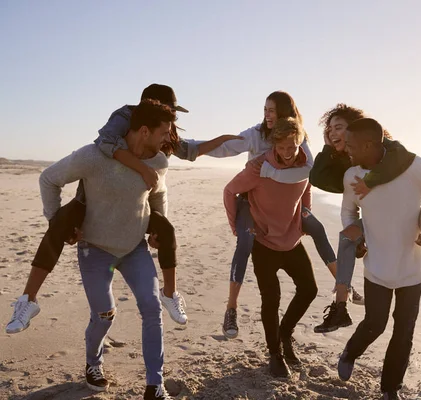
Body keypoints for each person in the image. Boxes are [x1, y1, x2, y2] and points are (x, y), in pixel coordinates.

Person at [5, 84, 240, 334]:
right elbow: (105, 143)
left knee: (166, 227)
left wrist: (223, 139)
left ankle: (170, 294)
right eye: (170, 109)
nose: (173, 118)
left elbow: (190, 151)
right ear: (152, 108)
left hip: (138, 206)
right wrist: (143, 169)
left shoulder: (162, 134)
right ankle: (28, 300)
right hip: (91, 202)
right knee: (59, 222)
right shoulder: (123, 118)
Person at [38, 99, 176, 399]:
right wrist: (58, 224)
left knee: (152, 309)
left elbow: (159, 194)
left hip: (134, 247)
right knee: (104, 314)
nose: (168, 137)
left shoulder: (159, 162)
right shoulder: (93, 157)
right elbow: (49, 178)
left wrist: (156, 227)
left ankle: (156, 385)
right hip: (96, 248)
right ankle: (93, 364)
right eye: (164, 131)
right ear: (143, 130)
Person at [198, 91, 362, 340]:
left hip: (288, 214)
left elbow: (306, 177)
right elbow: (228, 159)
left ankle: (344, 285)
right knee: (244, 242)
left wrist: (305, 208)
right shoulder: (257, 142)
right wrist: (193, 149)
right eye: (265, 110)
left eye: (271, 110)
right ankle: (231, 308)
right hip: (251, 204)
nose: (266, 115)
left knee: (316, 229)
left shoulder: (301, 144)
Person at [310, 104, 421, 334]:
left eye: (339, 128)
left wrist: (371, 181)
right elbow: (318, 178)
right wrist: (328, 147)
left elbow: (398, 161)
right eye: (330, 130)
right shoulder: (348, 163)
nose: (335, 134)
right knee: (347, 237)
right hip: (376, 218)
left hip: (412, 210)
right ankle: (340, 307)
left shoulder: (388, 150)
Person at [335, 118, 421, 399]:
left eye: (352, 146)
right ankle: (350, 353)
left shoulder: (413, 168)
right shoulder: (352, 176)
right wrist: (357, 237)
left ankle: (390, 389)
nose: (348, 151)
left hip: (412, 270)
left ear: (369, 145)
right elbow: (348, 211)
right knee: (374, 324)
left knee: (404, 331)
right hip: (377, 268)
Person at [223, 117, 317, 377]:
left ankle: (284, 335)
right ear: (274, 144)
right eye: (283, 147)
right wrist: (237, 229)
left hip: (291, 239)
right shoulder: (258, 167)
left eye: (293, 146)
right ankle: (275, 354)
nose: (288, 152)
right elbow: (230, 191)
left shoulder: (305, 165)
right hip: (264, 243)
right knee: (271, 299)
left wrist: (304, 216)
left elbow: (306, 187)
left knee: (309, 289)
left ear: (300, 143)